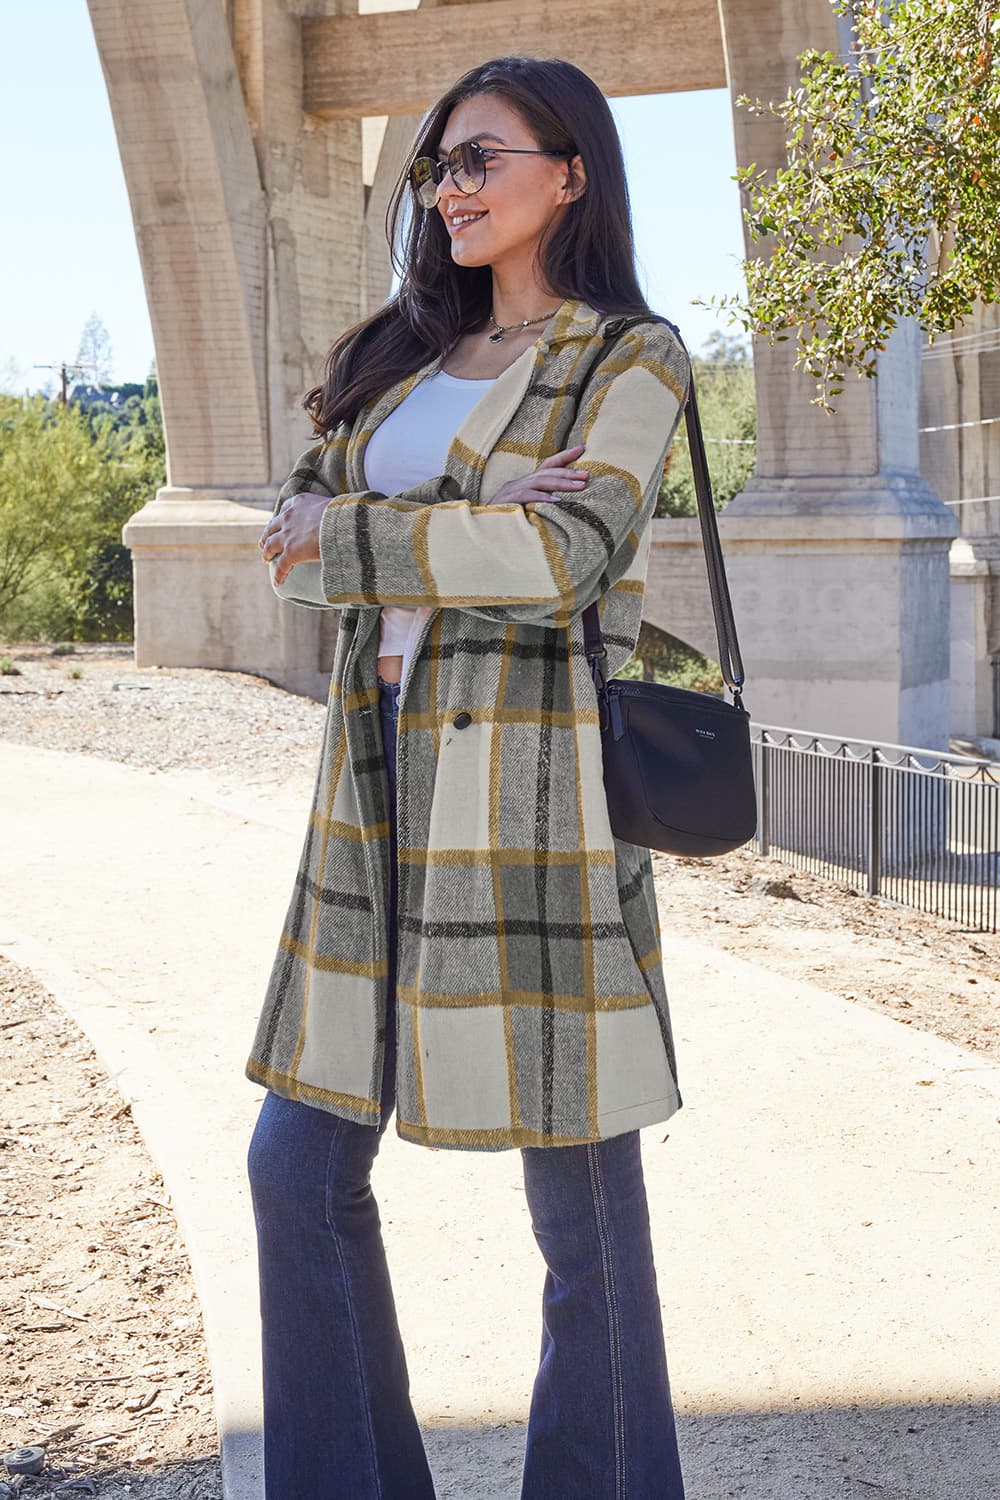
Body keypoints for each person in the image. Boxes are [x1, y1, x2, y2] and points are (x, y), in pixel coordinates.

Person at [246, 53, 691, 1500]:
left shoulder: (628, 358)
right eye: (438, 166)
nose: (448, 188)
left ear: (569, 173)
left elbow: (563, 560)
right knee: (295, 1169)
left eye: (479, 158)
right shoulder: (401, 357)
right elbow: (286, 530)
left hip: (532, 809)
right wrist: (466, 500)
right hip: (367, 793)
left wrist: (379, 529)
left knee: (581, 1213)